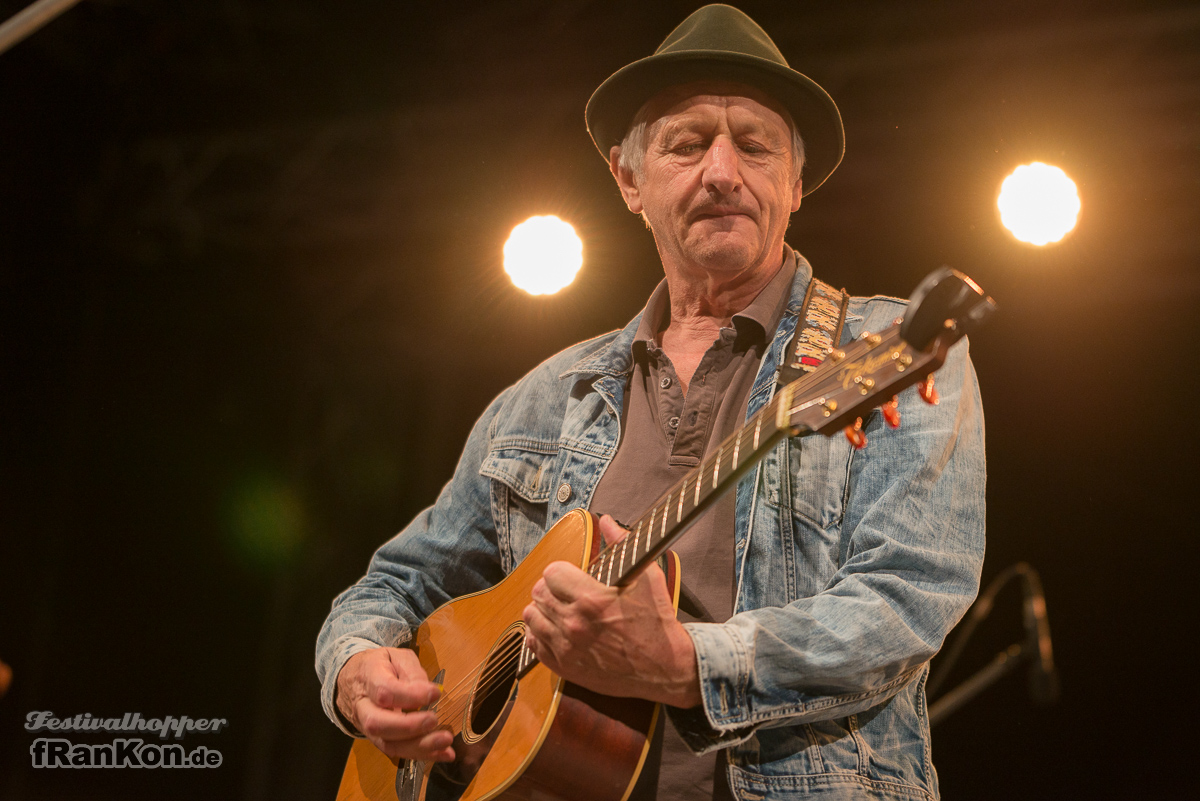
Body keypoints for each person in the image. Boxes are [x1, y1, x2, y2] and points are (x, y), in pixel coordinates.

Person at [316, 5, 985, 800]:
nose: (723, 172)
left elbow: (907, 598)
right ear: (628, 180)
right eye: (688, 142)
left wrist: (684, 666)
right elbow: (392, 586)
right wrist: (357, 668)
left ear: (796, 183)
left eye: (756, 145)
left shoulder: (883, 351)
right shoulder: (542, 396)